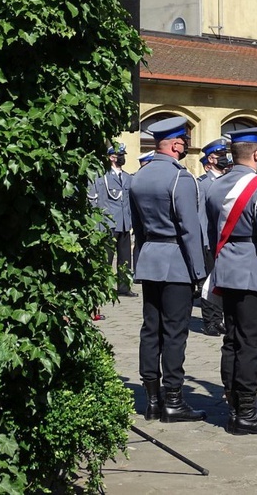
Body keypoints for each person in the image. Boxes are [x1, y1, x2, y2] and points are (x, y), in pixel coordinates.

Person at [205, 126, 257, 435]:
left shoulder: (215, 185)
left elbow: (211, 229)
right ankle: (247, 412)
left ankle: (233, 405)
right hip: (253, 273)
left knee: (232, 341)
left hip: (226, 269)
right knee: (251, 345)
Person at [129, 116, 207, 423]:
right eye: (184, 142)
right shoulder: (180, 178)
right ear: (176, 144)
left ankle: (151, 400)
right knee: (175, 333)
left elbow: (137, 226)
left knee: (151, 330)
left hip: (150, 258)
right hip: (176, 261)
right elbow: (190, 230)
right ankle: (173, 399)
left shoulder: (140, 176)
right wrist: (199, 272)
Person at [196, 137, 232, 337]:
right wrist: (203, 242)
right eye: (220, 156)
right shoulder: (202, 184)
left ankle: (220, 319)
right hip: (209, 241)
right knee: (209, 283)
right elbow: (201, 215)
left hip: (224, 240)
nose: (224, 159)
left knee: (223, 282)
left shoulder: (227, 181)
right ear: (211, 159)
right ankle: (210, 321)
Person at [91, 143, 137, 297]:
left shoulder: (127, 177)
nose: (123, 157)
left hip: (124, 223)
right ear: (112, 157)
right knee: (107, 258)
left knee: (125, 258)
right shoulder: (102, 177)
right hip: (109, 222)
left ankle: (124, 287)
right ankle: (103, 287)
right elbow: (94, 200)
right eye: (120, 155)